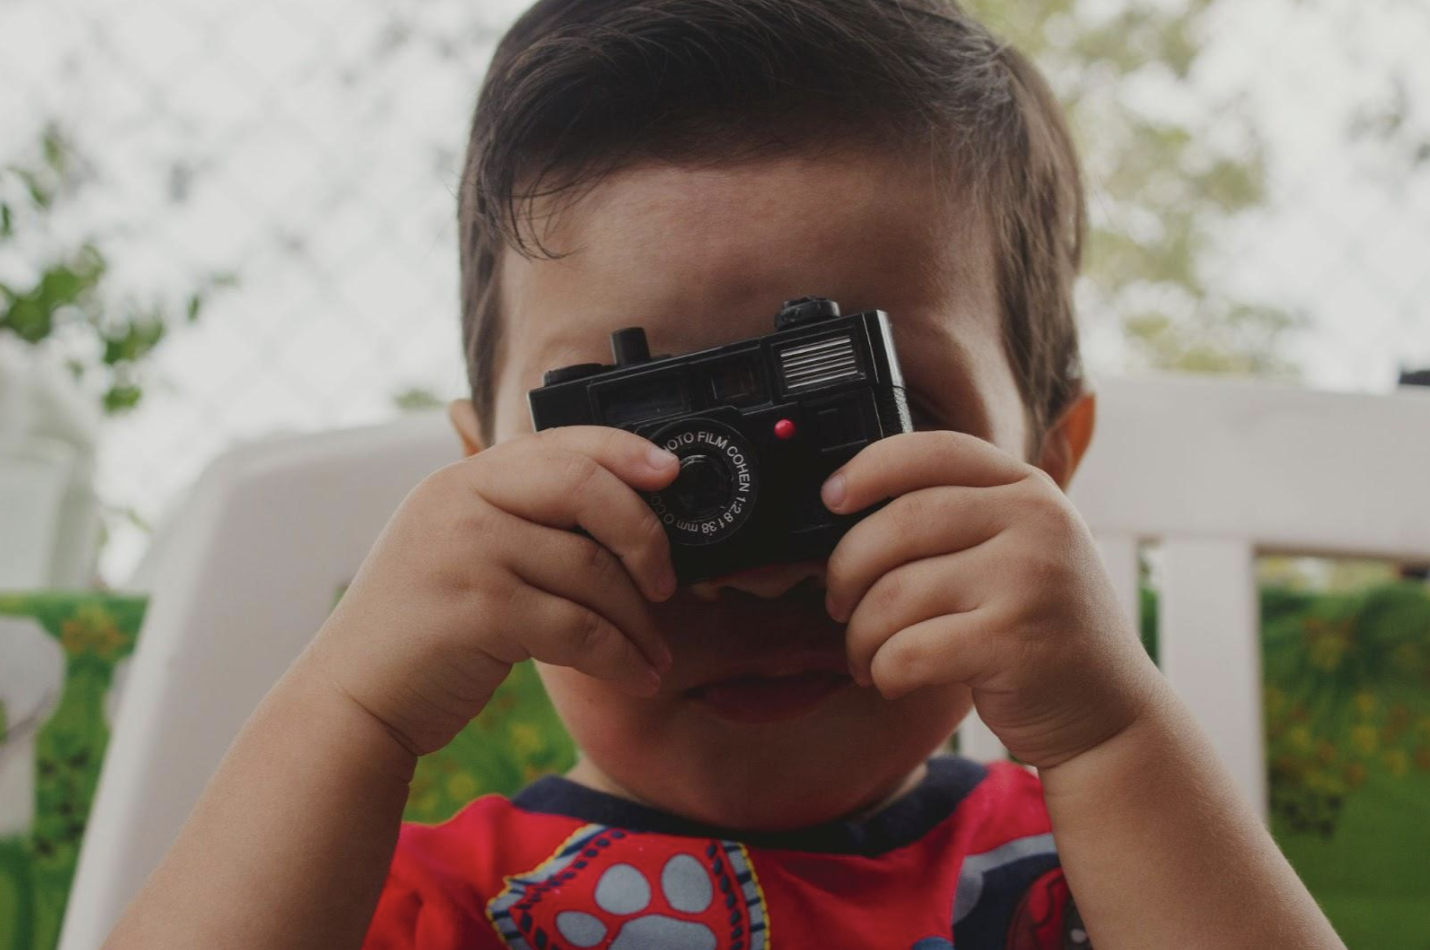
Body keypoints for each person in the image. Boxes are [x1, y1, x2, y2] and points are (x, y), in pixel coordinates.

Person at [103, 1, 1347, 947]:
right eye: (651, 447)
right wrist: (351, 709)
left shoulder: (1104, 874)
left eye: (862, 416)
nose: (757, 565)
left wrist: (1113, 732)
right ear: (485, 482)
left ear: (1047, 469)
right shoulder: (424, 899)